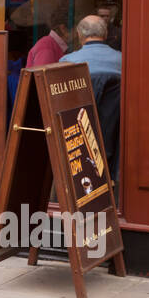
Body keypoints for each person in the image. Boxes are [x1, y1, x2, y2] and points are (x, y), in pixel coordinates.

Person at [60, 14, 122, 182]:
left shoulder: (67, 63)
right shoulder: (123, 61)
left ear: (79, 35)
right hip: (115, 138)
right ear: (106, 34)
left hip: (77, 142)